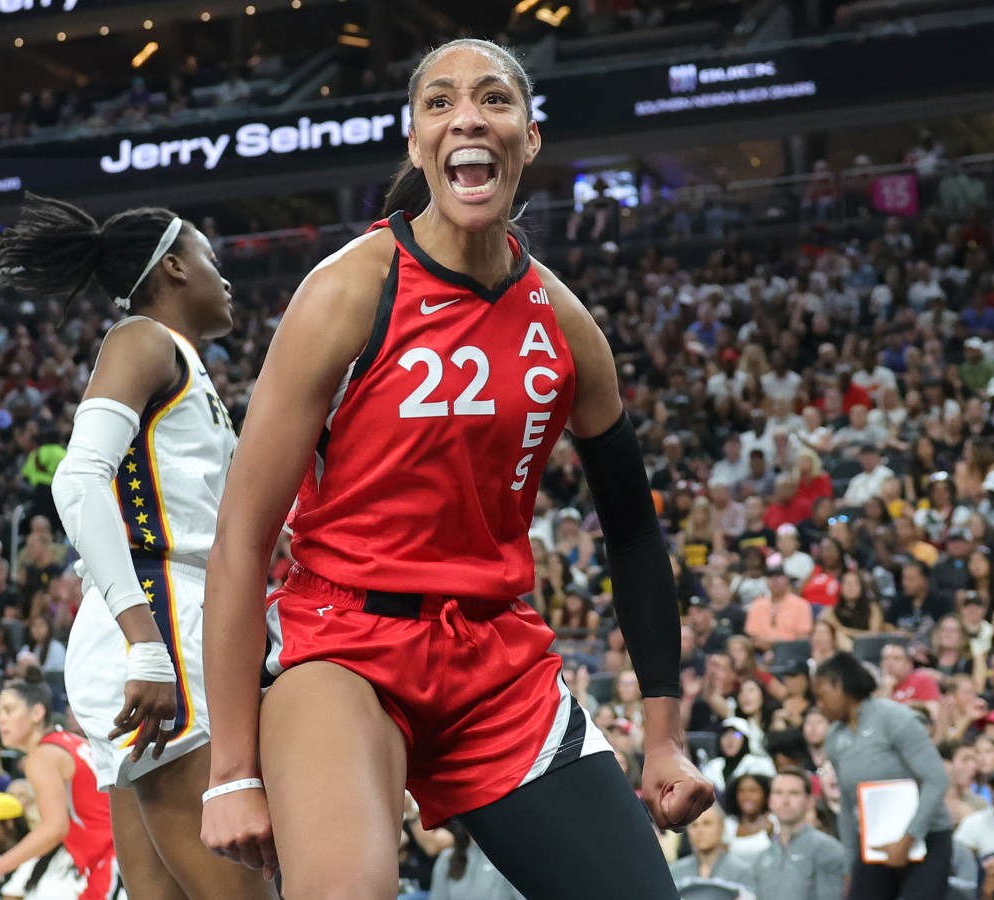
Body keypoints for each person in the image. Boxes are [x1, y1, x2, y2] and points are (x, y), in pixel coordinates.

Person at [200, 37, 713, 899]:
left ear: (529, 136)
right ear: (414, 141)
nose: (466, 117)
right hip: (344, 649)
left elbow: (631, 530)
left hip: (496, 667)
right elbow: (242, 540)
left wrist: (662, 737)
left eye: (492, 100)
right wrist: (231, 767)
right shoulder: (346, 292)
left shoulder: (566, 326)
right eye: (438, 103)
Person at [0, 193, 272, 899]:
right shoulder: (142, 338)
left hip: (167, 616)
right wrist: (144, 640)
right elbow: (78, 480)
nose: (225, 277)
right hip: (159, 618)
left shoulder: (183, 363)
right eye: (212, 259)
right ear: (174, 266)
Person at [815, 652, 952, 899]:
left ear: (841, 685)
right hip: (875, 844)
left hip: (926, 838)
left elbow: (936, 780)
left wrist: (909, 838)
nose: (819, 704)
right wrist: (850, 866)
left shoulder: (895, 718)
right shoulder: (834, 737)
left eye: (822, 696)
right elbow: (847, 805)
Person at [0, 680, 113, 900]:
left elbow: (54, 828)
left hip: (113, 859)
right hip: (115, 856)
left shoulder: (42, 756)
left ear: (36, 713)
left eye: (9, 710)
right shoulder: (71, 741)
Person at [753, 768, 847, 900]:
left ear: (809, 802)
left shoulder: (828, 849)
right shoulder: (762, 858)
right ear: (770, 801)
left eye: (794, 793)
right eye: (778, 793)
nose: (785, 801)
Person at [669, 803, 753, 893]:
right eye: (694, 825)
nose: (700, 831)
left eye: (707, 823)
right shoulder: (674, 872)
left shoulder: (741, 871)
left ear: (722, 828)